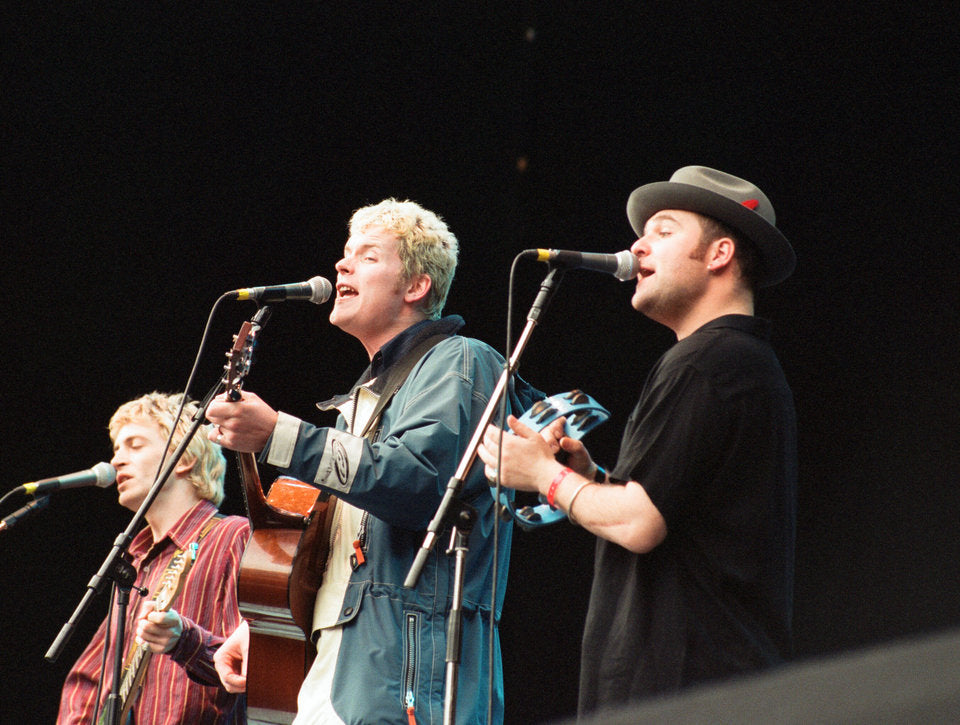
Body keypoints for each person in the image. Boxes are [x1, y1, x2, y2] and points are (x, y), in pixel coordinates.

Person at [478, 166, 798, 715]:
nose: (637, 245)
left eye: (664, 230)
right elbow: (678, 512)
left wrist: (543, 477)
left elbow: (641, 522)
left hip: (686, 688)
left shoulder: (708, 362)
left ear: (719, 254)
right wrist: (591, 481)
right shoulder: (735, 362)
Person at [205, 198, 538, 724]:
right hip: (342, 668)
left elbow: (419, 483)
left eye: (367, 256)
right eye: (344, 254)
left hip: (407, 666)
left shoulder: (462, 360)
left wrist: (281, 435)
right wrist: (268, 624)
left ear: (415, 286)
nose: (341, 265)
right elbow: (333, 550)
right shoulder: (361, 403)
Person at [57, 392, 250, 725]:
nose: (117, 460)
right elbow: (89, 680)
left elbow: (258, 666)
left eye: (135, 445)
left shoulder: (233, 536)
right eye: (117, 448)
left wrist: (186, 641)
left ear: (184, 458)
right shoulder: (137, 565)